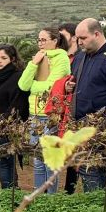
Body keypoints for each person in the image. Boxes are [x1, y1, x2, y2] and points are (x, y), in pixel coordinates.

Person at [67, 18, 106, 192]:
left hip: (100, 126)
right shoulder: (81, 57)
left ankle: (94, 203)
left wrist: (104, 123)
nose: (79, 42)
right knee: (86, 169)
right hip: (80, 123)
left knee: (92, 169)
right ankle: (94, 202)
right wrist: (69, 86)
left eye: (83, 38)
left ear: (97, 34)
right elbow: (75, 81)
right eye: (77, 38)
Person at [18, 28, 71, 192]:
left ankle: (51, 197)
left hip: (50, 115)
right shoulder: (38, 57)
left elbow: (51, 87)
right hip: (34, 115)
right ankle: (38, 194)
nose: (40, 43)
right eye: (38, 40)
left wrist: (33, 86)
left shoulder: (62, 59)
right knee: (37, 160)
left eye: (43, 40)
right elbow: (23, 85)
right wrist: (33, 64)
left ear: (55, 41)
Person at [0, 45, 29, 189]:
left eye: (4, 58)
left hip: (6, 127)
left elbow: (17, 105)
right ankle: (8, 191)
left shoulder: (17, 76)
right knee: (3, 161)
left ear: (13, 59)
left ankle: (8, 192)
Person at [57, 22, 80, 193]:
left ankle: (69, 192)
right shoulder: (58, 58)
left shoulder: (80, 58)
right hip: (57, 110)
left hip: (72, 109)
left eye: (63, 36)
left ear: (74, 38)